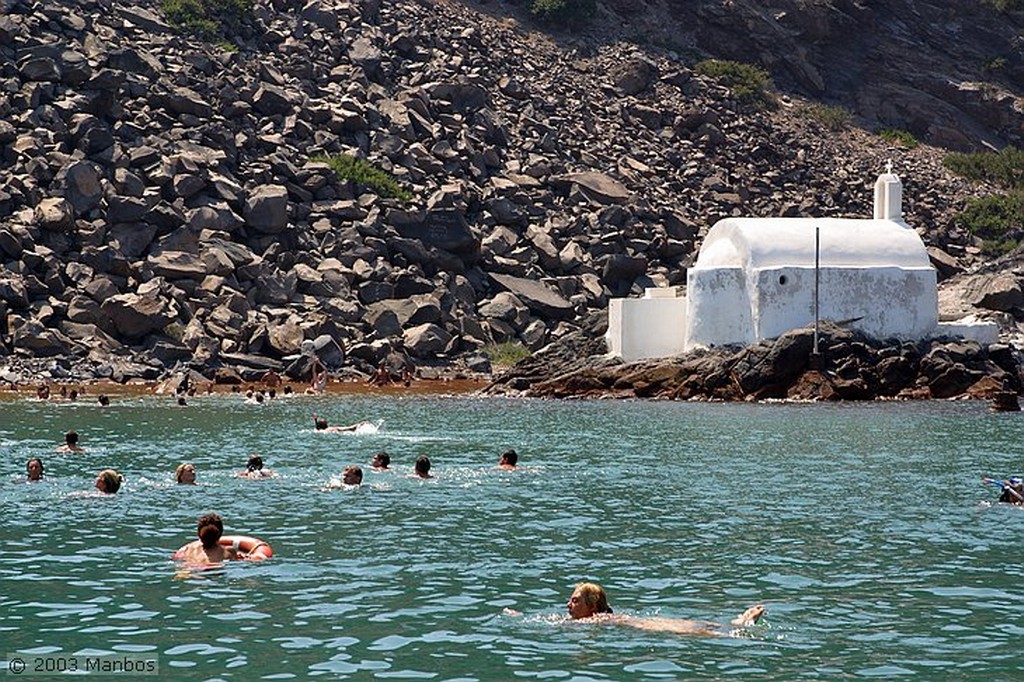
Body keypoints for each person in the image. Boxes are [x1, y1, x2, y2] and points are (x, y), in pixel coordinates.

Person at [565, 583, 765, 636]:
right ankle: (737, 624)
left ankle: (737, 628)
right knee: (689, 626)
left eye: (575, 601)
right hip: (637, 622)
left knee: (689, 630)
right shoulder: (603, 617)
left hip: (639, 625)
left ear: (591, 606)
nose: (568, 605)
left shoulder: (593, 620)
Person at [173, 513, 239, 565]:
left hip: (192, 570)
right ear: (220, 533)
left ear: (199, 534)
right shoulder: (228, 551)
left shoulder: (189, 549)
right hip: (214, 573)